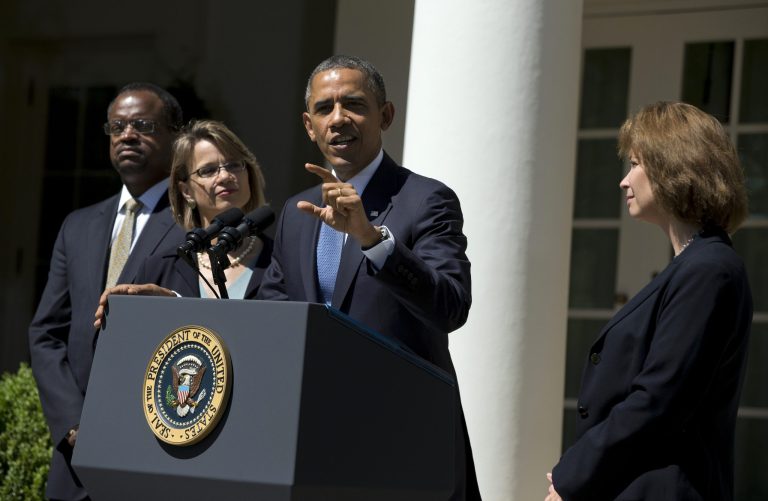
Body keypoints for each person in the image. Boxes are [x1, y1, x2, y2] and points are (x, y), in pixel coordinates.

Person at [257, 55, 481, 500]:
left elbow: (451, 306)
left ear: (386, 115)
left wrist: (371, 238)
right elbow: (274, 317)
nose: (338, 119)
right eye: (325, 109)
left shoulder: (425, 200)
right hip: (318, 443)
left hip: (406, 439)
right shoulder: (297, 213)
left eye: (354, 105)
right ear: (308, 124)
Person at [546, 102, 752, 501]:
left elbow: (658, 400)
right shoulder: (695, 265)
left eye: (637, 163)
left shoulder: (708, 270)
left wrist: (571, 476)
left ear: (675, 165)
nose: (624, 181)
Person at [29, 83, 187, 501]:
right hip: (74, 461)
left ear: (176, 134)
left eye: (143, 125)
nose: (127, 135)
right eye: (117, 126)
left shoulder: (193, 221)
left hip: (156, 446)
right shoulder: (78, 225)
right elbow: (46, 333)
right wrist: (74, 425)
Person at [91, 119, 271, 310]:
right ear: (186, 191)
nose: (225, 176)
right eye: (208, 170)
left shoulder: (280, 260)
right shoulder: (159, 268)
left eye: (234, 165)